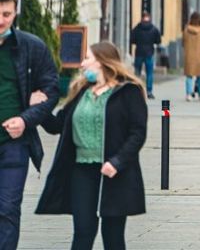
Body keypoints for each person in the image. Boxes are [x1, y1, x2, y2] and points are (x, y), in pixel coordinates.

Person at [36, 41, 148, 250]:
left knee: (112, 235)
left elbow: (137, 133)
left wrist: (117, 162)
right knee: (83, 231)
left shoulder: (128, 92)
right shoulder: (81, 93)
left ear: (102, 62)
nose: (82, 63)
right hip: (82, 170)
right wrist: (40, 107)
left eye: (87, 58)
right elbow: (57, 125)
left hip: (114, 172)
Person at [0, 0, 60, 249]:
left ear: (15, 14)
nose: (0, 20)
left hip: (15, 142)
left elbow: (51, 91)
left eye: (6, 14)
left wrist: (26, 119)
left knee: (8, 207)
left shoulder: (31, 47)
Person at [128, 12, 161, 100]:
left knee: (137, 72)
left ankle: (136, 90)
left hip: (139, 52)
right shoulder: (154, 29)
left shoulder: (137, 28)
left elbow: (132, 40)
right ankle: (149, 92)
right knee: (149, 73)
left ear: (142, 18)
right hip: (149, 52)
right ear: (149, 18)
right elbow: (158, 40)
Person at [181, 12, 200, 101]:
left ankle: (189, 94)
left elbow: (183, 42)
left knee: (189, 76)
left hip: (189, 56)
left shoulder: (186, 30)